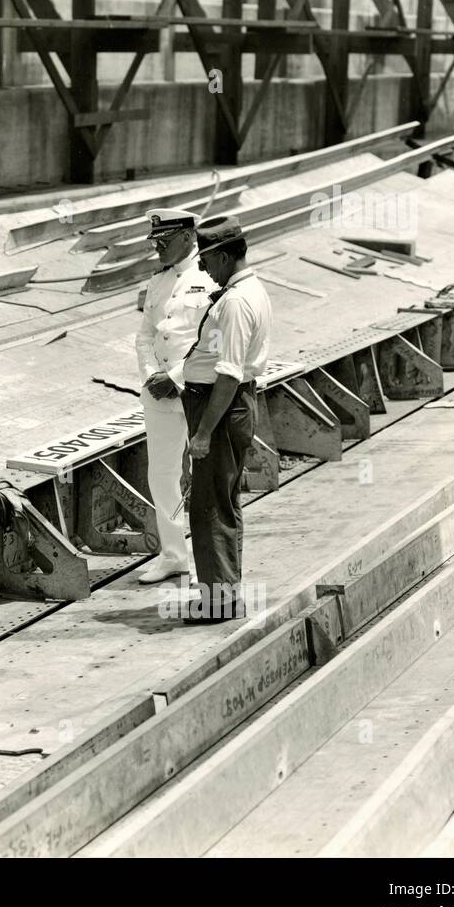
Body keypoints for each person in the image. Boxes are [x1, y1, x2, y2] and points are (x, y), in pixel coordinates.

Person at [179, 216, 272, 624]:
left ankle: (217, 603)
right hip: (232, 404)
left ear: (222, 256)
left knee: (208, 506)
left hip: (220, 406)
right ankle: (225, 594)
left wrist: (202, 433)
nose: (203, 269)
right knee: (223, 501)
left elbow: (229, 372)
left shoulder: (234, 302)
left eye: (206, 260)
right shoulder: (251, 289)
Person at [134, 209, 218, 587]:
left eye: (163, 243)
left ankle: (211, 559)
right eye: (155, 243)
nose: (157, 250)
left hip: (198, 389)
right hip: (159, 393)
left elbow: (214, 340)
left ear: (187, 236)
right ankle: (173, 555)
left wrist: (175, 377)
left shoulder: (211, 275)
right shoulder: (158, 283)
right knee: (162, 474)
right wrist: (152, 374)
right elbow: (145, 336)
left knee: (207, 474)